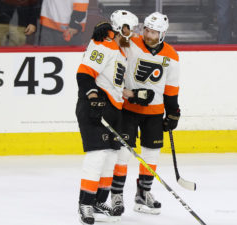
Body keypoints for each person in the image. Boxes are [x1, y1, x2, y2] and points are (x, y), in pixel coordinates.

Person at [76, 10, 153, 225]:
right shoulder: (103, 44)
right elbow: (84, 73)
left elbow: (115, 85)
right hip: (94, 107)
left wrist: (135, 95)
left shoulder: (122, 51)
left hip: (113, 109)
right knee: (98, 155)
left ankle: (99, 202)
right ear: (121, 28)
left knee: (110, 157)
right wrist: (92, 96)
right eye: (131, 28)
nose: (134, 33)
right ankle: (85, 203)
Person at [110, 12, 181, 216]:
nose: (149, 35)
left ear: (163, 33)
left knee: (151, 154)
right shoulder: (130, 43)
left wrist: (173, 112)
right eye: (147, 30)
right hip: (129, 109)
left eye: (154, 32)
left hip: (155, 113)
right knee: (123, 153)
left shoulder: (172, 55)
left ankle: (143, 195)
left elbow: (171, 88)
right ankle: (116, 195)